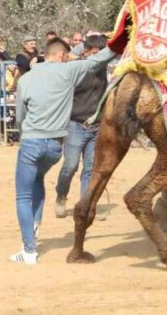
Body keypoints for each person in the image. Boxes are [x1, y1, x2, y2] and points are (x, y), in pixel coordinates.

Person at [10, 37, 115, 265]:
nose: (68, 58)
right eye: (66, 55)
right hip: (56, 146)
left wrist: (23, 134)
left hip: (31, 141)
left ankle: (29, 250)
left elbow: (20, 116)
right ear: (59, 55)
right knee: (38, 180)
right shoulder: (69, 71)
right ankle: (35, 227)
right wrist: (122, 41)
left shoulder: (26, 79)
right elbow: (99, 59)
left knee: (23, 195)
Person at [54, 35, 109, 218]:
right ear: (85, 52)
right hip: (75, 125)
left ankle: (87, 204)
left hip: (96, 127)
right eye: (95, 53)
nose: (99, 57)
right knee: (70, 166)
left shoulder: (103, 72)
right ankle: (61, 196)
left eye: (102, 53)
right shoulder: (76, 70)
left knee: (90, 169)